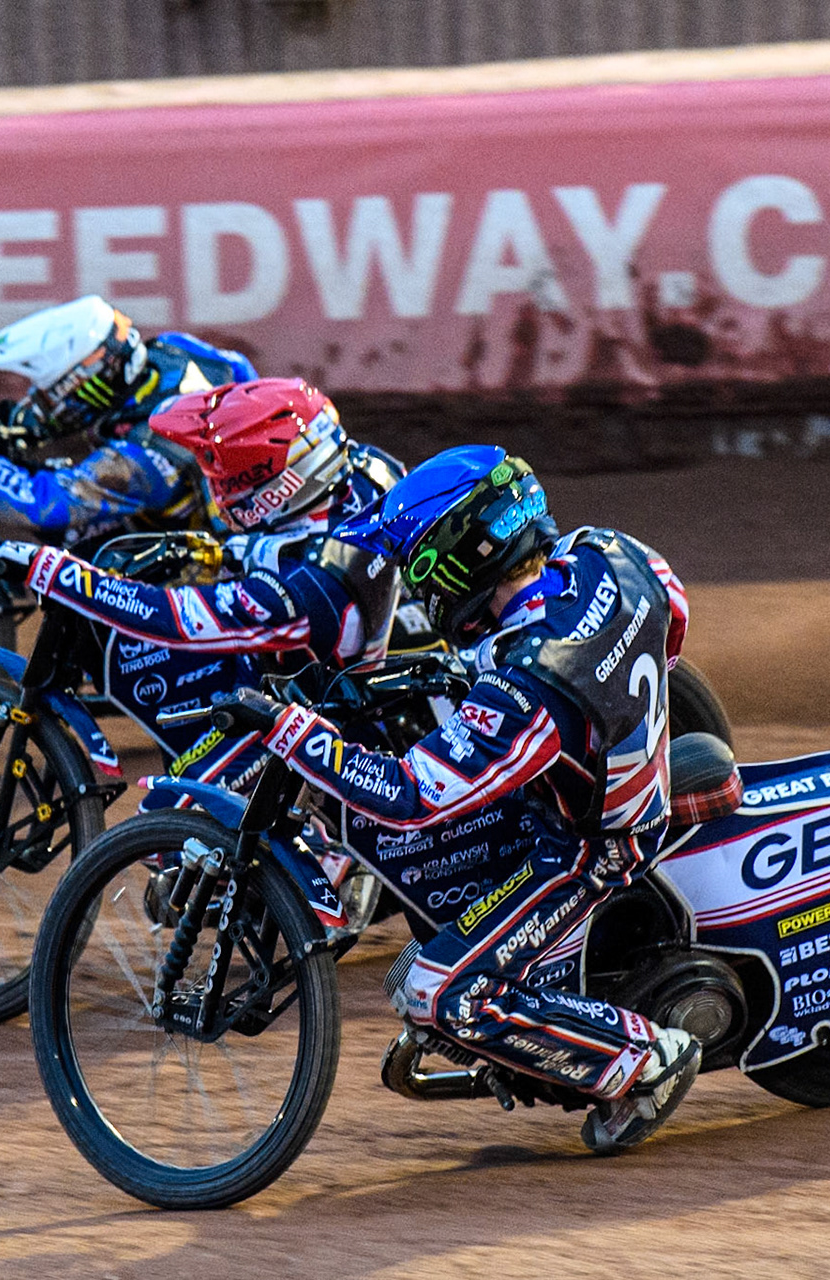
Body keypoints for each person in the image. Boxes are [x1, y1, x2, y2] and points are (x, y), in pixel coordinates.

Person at [222, 445, 702, 1153]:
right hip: (595, 783)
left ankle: (641, 1062)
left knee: (438, 991)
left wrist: (297, 734)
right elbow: (676, 628)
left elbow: (412, 795)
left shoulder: (532, 685)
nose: (417, 591)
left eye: (419, 569)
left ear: (462, 558)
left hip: (587, 845)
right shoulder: (611, 552)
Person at [0, 377, 404, 788]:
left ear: (284, 483)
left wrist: (59, 574)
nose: (218, 485)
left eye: (231, 475)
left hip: (312, 712)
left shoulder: (302, 589)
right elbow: (294, 543)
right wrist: (221, 553)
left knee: (168, 820)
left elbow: (170, 618)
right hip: (349, 655)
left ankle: (321, 851)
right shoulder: (369, 471)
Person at [0, 295, 255, 544]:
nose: (47, 405)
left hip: (208, 570)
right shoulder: (174, 349)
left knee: (82, 560)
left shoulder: (139, 456)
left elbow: (40, 504)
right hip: (241, 518)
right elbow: (242, 370)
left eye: (50, 394)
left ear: (88, 382)